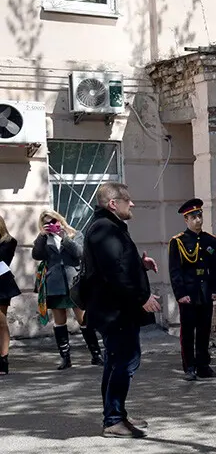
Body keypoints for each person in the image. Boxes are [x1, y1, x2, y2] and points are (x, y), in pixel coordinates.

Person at [81, 181, 161, 439]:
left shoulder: (109, 227)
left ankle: (117, 413)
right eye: (127, 199)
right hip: (114, 311)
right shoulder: (104, 229)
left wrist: (141, 264)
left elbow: (118, 263)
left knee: (117, 361)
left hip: (116, 309)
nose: (133, 203)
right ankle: (113, 420)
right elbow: (114, 272)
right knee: (125, 361)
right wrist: (142, 297)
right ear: (113, 204)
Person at [32, 209, 103, 369]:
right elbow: (37, 255)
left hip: (74, 282)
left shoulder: (74, 234)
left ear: (60, 220)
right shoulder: (44, 239)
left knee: (83, 319)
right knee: (59, 321)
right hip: (55, 284)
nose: (51, 225)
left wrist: (64, 237)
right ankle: (65, 358)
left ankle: (96, 355)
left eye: (53, 221)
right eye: (46, 223)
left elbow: (80, 254)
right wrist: (42, 236)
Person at [168, 198, 216, 381]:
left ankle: (203, 365)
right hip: (189, 293)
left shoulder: (210, 240)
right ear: (186, 220)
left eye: (199, 216)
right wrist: (180, 294)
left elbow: (214, 268)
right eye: (193, 217)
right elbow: (175, 271)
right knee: (188, 332)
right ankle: (189, 366)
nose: (198, 220)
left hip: (205, 292)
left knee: (204, 330)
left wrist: (215, 289)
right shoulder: (178, 242)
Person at [0, 214, 20, 375]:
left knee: (0, 322)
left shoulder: (8, 242)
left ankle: (3, 359)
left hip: (2, 285)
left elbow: (2, 261)